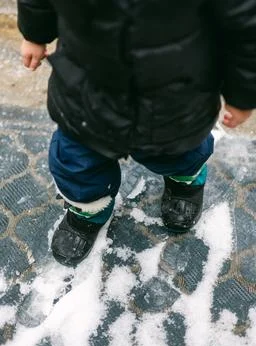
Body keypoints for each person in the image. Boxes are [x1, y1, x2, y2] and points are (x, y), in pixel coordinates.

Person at [18, 0, 255, 267]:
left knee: (180, 151)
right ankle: (89, 210)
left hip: (176, 94)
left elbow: (245, 25)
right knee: (76, 162)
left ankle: (184, 181)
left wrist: (242, 93)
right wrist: (35, 33)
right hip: (86, 87)